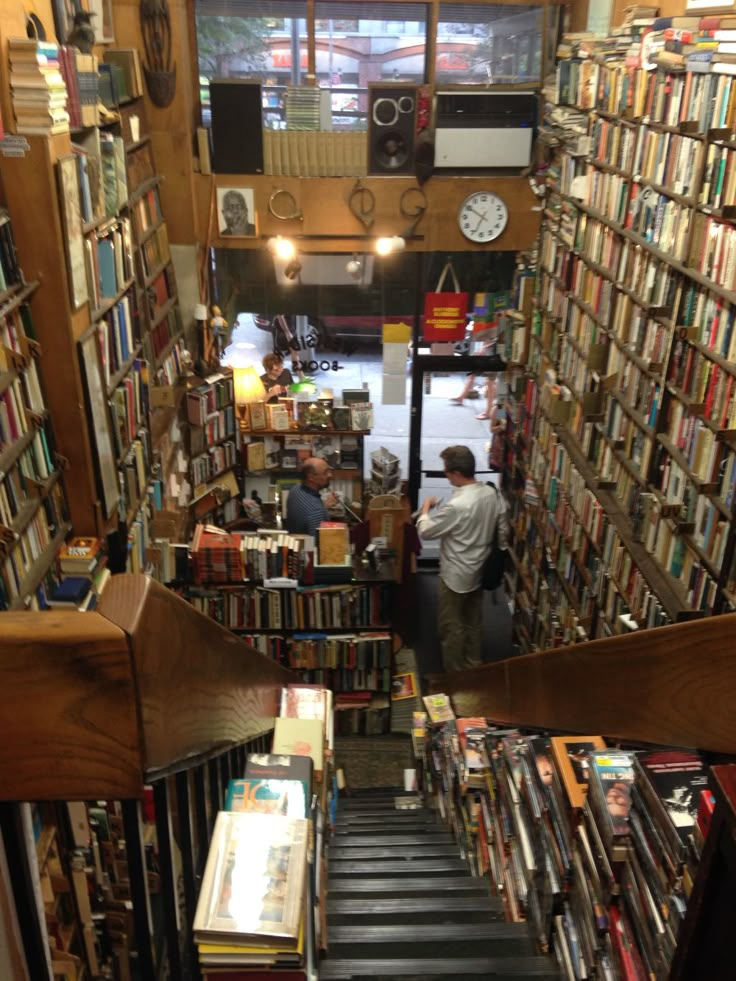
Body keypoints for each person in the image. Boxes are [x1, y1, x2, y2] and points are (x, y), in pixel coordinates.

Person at [415, 445, 509, 673]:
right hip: (479, 567)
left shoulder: (457, 505)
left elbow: (427, 532)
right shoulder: (491, 492)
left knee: (451, 626)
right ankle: (474, 664)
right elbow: (503, 529)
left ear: (456, 473)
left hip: (455, 574)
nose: (446, 475)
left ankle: (456, 674)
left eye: (446, 471)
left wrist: (426, 509)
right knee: (473, 621)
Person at [284, 457, 339, 538]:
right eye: (325, 473)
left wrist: (324, 506)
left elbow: (308, 510)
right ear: (311, 477)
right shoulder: (316, 512)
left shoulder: (295, 490)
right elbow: (319, 544)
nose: (330, 475)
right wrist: (322, 510)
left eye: (329, 471)